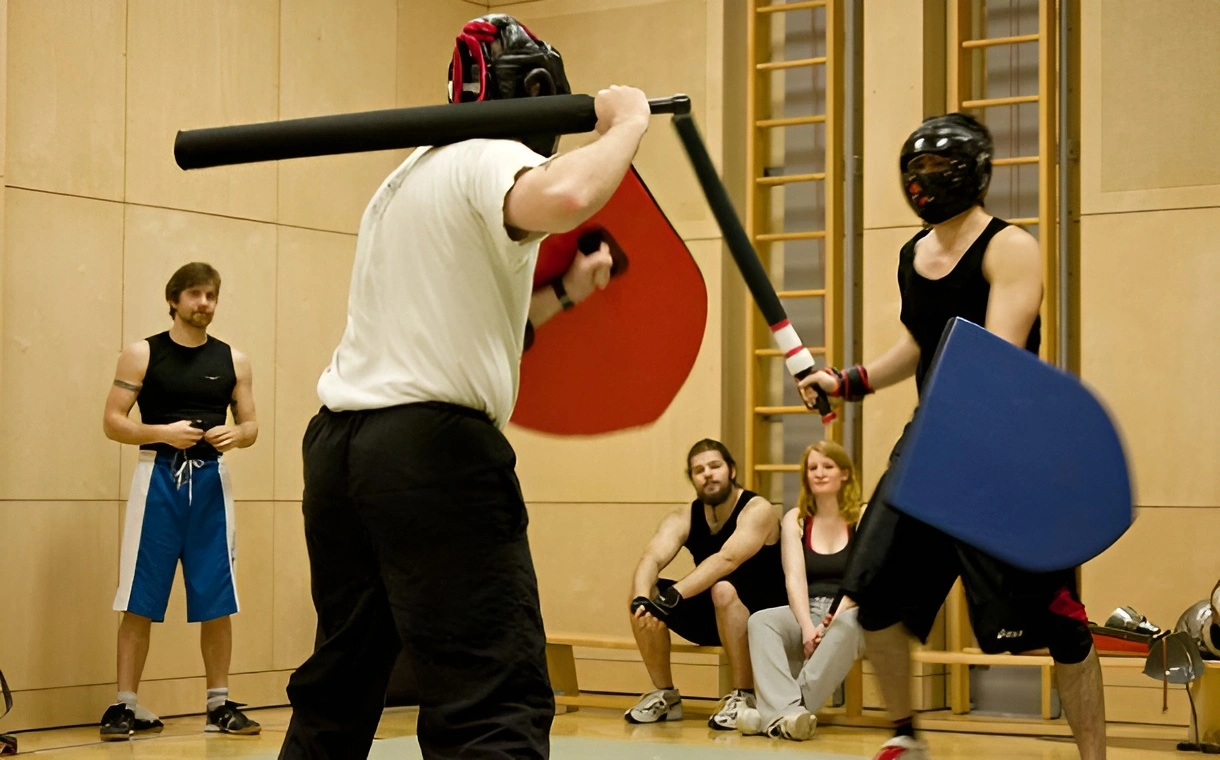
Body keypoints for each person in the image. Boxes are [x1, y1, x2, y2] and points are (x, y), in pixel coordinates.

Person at [276, 14, 650, 760]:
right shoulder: (490, 156)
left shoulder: (407, 177)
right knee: (492, 699)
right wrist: (626, 121)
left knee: (339, 693)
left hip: (342, 453)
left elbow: (466, 324)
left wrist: (570, 292)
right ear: (536, 90)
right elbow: (572, 196)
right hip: (431, 457)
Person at [798, 113, 1107, 760]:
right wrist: (848, 381)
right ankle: (908, 734)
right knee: (874, 600)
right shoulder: (913, 254)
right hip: (932, 444)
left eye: (939, 172)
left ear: (974, 173)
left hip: (1005, 451)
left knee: (1059, 623)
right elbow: (922, 340)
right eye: (917, 173)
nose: (925, 184)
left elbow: (994, 353)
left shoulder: (1008, 246)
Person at [99, 262, 261, 741]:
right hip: (158, 481)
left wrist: (239, 433)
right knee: (139, 595)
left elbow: (251, 426)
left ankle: (219, 703)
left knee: (216, 596)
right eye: (195, 294)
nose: (204, 303)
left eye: (211, 295)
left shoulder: (235, 360)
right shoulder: (142, 354)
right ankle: (124, 705)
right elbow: (112, 420)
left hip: (212, 483)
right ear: (174, 300)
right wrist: (161, 433)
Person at [626, 439, 787, 731]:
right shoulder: (684, 516)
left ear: (732, 470)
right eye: (699, 470)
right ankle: (666, 694)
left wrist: (675, 595)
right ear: (693, 479)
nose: (708, 474)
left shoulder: (757, 508)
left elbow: (727, 559)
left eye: (715, 466)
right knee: (645, 592)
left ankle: (744, 696)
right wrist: (641, 599)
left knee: (723, 588)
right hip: (715, 615)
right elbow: (651, 557)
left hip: (762, 618)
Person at [736, 440, 866, 741]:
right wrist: (808, 627)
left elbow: (862, 580)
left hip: (852, 612)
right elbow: (794, 578)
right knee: (761, 620)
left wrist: (831, 619)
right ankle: (789, 715)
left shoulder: (862, 516)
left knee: (850, 622)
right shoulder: (796, 518)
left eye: (828, 466)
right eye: (812, 468)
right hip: (806, 610)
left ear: (844, 473)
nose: (819, 473)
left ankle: (775, 713)